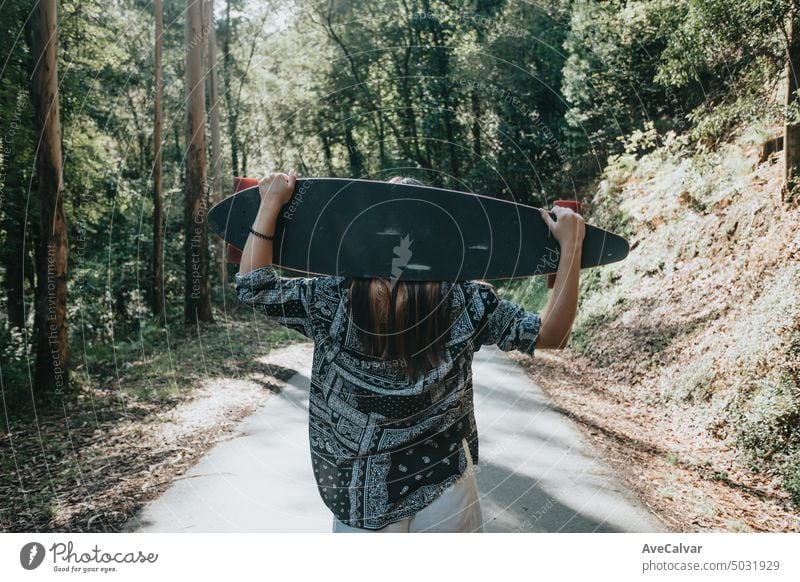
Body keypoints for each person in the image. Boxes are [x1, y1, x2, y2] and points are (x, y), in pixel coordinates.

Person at [235, 170, 585, 533]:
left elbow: (254, 289)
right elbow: (549, 335)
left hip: (360, 496)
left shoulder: (332, 298)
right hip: (445, 487)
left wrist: (271, 205)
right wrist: (570, 247)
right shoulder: (464, 300)